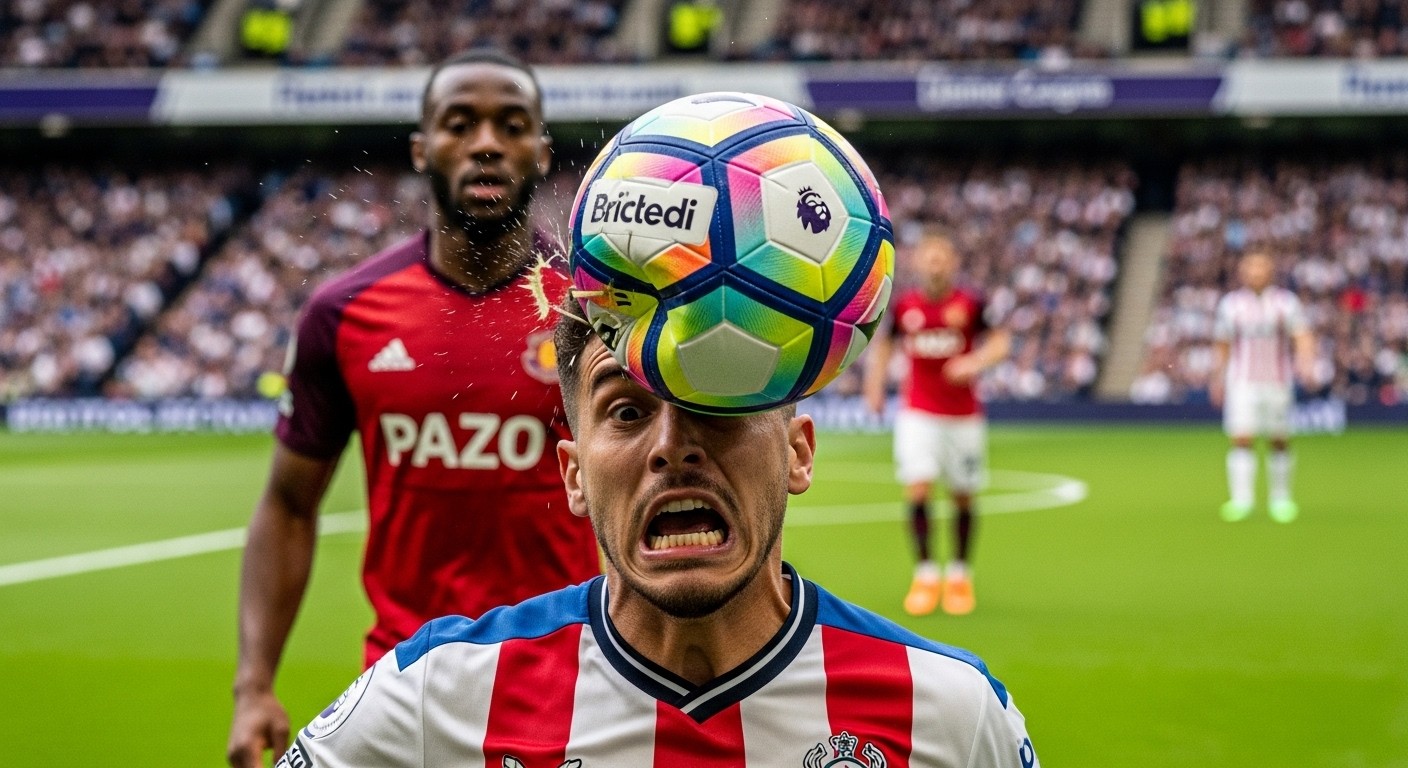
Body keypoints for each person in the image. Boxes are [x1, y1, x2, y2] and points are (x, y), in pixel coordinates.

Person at [270, 296, 1038, 768]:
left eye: (721, 398)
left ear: (799, 450)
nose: (673, 443)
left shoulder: (951, 713)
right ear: (573, 473)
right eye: (629, 410)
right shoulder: (433, 695)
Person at [227, 49, 600, 768]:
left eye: (512, 124)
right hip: (403, 691)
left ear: (542, 150)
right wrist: (253, 686)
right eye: (460, 124)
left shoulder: (592, 310)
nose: (486, 141)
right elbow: (287, 503)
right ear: (422, 149)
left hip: (573, 681)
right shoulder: (342, 314)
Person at [862, 232, 1011, 617]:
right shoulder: (905, 307)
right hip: (918, 413)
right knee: (918, 487)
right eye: (929, 257)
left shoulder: (972, 304)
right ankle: (926, 574)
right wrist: (874, 386)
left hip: (963, 417)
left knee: (963, 495)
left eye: (942, 257)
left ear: (952, 263)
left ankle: (959, 575)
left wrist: (974, 363)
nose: (935, 264)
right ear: (918, 263)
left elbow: (999, 343)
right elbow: (884, 348)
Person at [1210, 249, 1316, 523]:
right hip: (1242, 381)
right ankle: (1241, 500)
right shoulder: (1230, 304)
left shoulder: (1286, 303)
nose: (1255, 272)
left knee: (1279, 440)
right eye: (1250, 267)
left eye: (1260, 267)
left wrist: (1306, 363)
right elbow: (1223, 343)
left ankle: (1281, 499)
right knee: (1241, 438)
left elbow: (1302, 335)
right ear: (1242, 272)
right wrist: (1217, 376)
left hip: (1277, 381)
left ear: (1270, 271)